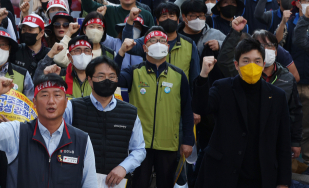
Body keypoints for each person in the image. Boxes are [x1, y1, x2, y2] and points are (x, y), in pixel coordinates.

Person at [193, 38, 291, 188]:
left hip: (261, 176)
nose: (252, 65)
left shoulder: (277, 96)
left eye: (257, 61)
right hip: (223, 173)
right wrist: (203, 76)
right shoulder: (222, 88)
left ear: (263, 64)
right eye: (246, 61)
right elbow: (201, 107)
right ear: (236, 65)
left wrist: (283, 182)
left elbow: (283, 142)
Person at [0, 75, 98, 187]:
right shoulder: (18, 132)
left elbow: (90, 184)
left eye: (57, 95)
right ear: (35, 102)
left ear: (66, 102)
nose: (51, 101)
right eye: (44, 95)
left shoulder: (82, 140)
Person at [116, 28, 194, 188]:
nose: (158, 44)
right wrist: (121, 52)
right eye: (153, 40)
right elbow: (112, 79)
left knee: (165, 184)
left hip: (168, 143)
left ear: (168, 46)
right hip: (139, 144)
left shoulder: (179, 75)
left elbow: (187, 109)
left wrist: (188, 140)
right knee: (138, 184)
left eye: (162, 40)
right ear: (144, 48)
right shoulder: (134, 72)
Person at [63, 56, 146, 186]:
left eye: (112, 76)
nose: (107, 80)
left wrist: (124, 167)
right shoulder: (72, 107)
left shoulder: (130, 112)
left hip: (115, 181)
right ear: (90, 80)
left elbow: (139, 149)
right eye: (101, 76)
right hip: (79, 179)